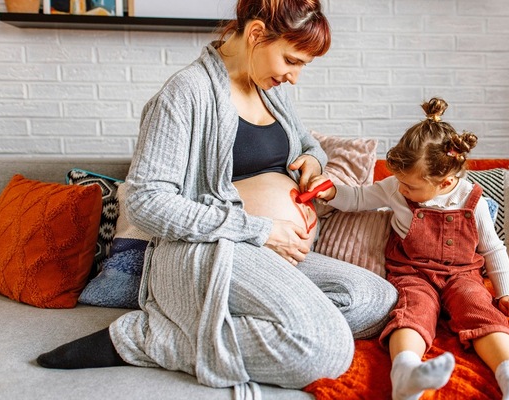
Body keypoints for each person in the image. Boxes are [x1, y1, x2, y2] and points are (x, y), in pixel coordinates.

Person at [36, 0, 397, 393]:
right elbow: (145, 201)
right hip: (206, 250)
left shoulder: (270, 91)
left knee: (376, 299)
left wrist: (311, 160)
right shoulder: (185, 93)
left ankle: (243, 325)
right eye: (292, 61)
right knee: (323, 350)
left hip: (271, 254)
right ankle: (150, 340)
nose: (294, 77)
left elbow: (310, 144)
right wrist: (259, 229)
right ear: (257, 34)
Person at [306, 98, 509, 400]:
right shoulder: (395, 187)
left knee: (480, 310)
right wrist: (332, 191)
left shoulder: (471, 200)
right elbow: (358, 199)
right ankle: (405, 373)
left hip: (462, 275)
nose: (402, 189)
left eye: (411, 186)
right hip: (412, 273)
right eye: (400, 182)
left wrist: (507, 291)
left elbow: (493, 249)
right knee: (412, 313)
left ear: (446, 182)